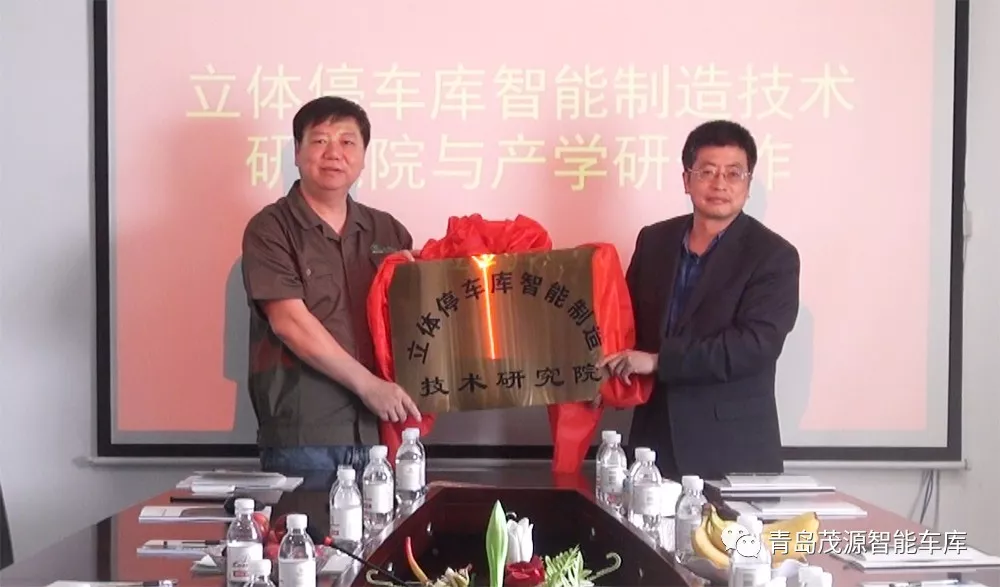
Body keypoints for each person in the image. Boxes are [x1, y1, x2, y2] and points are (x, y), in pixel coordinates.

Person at [597, 120, 800, 480]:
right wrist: (594, 372)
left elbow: (754, 346)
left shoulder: (774, 256)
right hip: (653, 444)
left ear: (748, 185)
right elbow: (624, 323)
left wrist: (658, 361)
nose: (720, 184)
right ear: (686, 180)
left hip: (732, 449)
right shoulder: (654, 241)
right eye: (707, 171)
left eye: (733, 173)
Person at [240, 96, 421, 486]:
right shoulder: (270, 229)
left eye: (347, 141)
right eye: (320, 140)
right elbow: (290, 322)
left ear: (364, 155)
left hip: (384, 432)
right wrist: (369, 386)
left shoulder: (387, 231)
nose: (334, 153)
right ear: (297, 151)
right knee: (306, 527)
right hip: (306, 438)